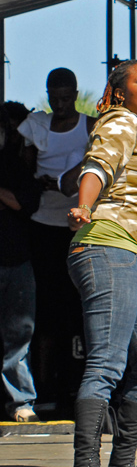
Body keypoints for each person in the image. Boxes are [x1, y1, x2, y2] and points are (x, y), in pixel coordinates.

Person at [66, 60, 137, 467]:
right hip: (106, 245)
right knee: (106, 364)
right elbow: (97, 166)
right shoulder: (119, 122)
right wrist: (84, 205)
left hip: (132, 255)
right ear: (120, 92)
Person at [18, 68, 96, 416]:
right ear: (48, 95)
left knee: (75, 309)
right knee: (45, 314)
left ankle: (75, 382)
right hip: (43, 225)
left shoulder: (90, 126)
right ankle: (45, 385)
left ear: (75, 93)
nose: (61, 104)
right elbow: (23, 172)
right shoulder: (36, 126)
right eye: (55, 98)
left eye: (67, 97)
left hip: (77, 226)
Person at [0, 101, 41, 422]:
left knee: (18, 332)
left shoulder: (12, 166)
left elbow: (25, 203)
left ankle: (20, 400)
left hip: (14, 257)